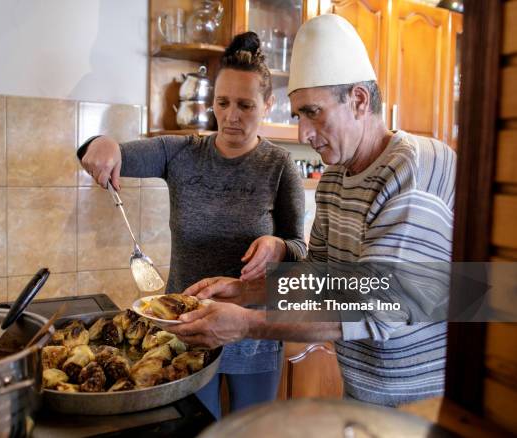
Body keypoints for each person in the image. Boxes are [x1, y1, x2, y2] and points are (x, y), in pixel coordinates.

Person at [169, 14, 456, 407]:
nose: (304, 133)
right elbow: (318, 277)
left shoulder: (413, 169)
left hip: (424, 398)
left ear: (357, 100)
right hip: (364, 388)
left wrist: (247, 323)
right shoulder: (337, 177)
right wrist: (244, 290)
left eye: (313, 112)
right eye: (298, 116)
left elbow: (376, 307)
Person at [77, 32, 307, 418]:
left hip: (251, 332)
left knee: (251, 430)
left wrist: (277, 246)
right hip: (181, 330)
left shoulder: (280, 166)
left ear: (268, 104)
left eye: (246, 105)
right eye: (223, 102)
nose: (232, 116)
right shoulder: (180, 153)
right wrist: (100, 143)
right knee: (192, 429)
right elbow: (105, 153)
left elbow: (299, 248)